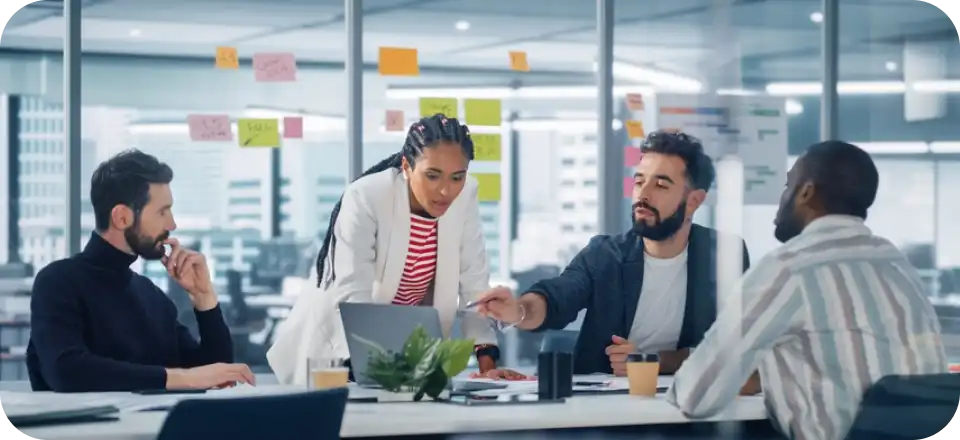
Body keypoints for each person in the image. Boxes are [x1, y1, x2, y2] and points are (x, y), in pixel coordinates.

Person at [666, 141, 947, 440]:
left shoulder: (789, 267)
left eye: (788, 185)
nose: (782, 198)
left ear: (806, 192)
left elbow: (696, 396)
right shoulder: (896, 264)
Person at [267, 114, 523, 385]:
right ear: (407, 166)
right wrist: (365, 370)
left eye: (457, 177)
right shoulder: (366, 196)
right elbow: (353, 293)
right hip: (336, 346)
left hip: (404, 350)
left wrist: (488, 368)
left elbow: (475, 287)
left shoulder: (465, 196)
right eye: (432, 176)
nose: (446, 191)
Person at [475, 130, 750, 376]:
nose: (644, 194)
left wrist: (654, 361)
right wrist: (518, 310)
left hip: (691, 410)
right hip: (605, 413)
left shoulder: (722, 255)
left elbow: (735, 346)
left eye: (661, 185)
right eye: (640, 181)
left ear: (693, 201)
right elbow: (557, 297)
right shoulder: (605, 255)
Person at [26, 150, 255, 392]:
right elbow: (67, 371)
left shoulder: (150, 295)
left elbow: (214, 372)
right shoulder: (58, 282)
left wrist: (204, 298)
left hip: (152, 429)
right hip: (84, 431)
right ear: (122, 217)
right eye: (162, 212)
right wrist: (180, 378)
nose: (172, 224)